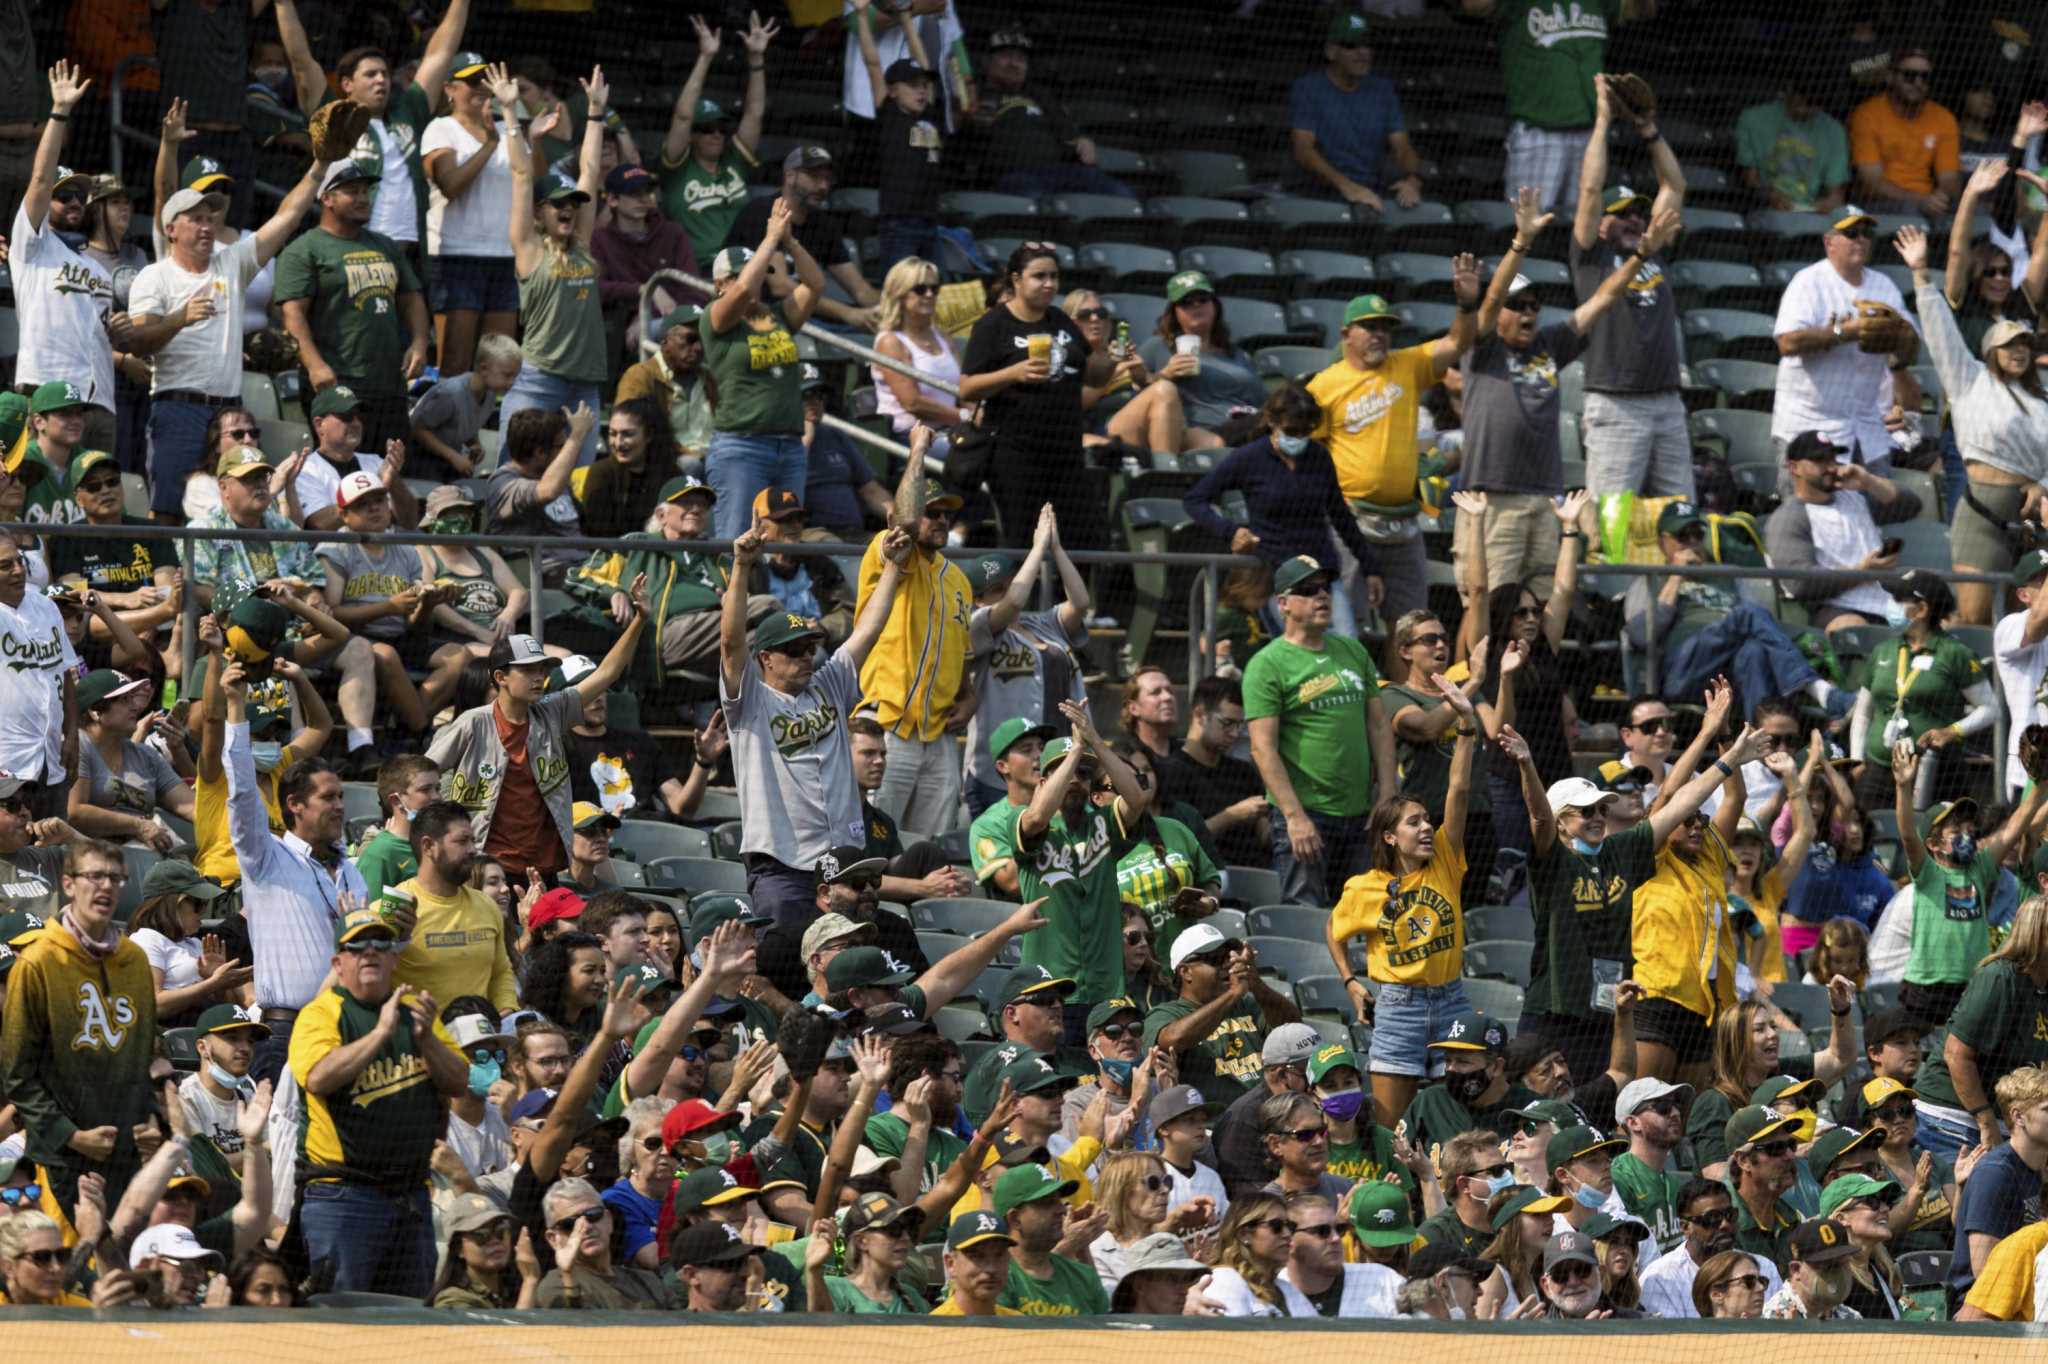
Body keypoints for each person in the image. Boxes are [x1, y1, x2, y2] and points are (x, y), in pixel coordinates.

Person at [1514, 688, 1758, 1089]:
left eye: (1599, 810)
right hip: (1556, 1010)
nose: (1595, 817)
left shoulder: (1621, 853)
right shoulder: (1553, 863)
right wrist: (1527, 766)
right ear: (1562, 822)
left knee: (1612, 1109)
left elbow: (1684, 801)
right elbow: (1540, 820)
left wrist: (1728, 756)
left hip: (1607, 1012)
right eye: (1583, 812)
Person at [1455, 190, 1675, 611]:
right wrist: (1521, 243)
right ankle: (1474, 678)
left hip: (1543, 499)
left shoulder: (1550, 344)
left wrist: (1639, 257)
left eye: (1534, 306)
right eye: (1516, 306)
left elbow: (1604, 299)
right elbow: (1491, 298)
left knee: (1538, 611)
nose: (1527, 313)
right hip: (1492, 500)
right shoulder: (1481, 348)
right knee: (1485, 606)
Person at [722, 513, 911, 928]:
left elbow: (868, 630)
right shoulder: (749, 700)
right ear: (766, 659)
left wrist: (894, 567)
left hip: (843, 859)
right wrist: (741, 567)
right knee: (787, 958)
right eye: (794, 651)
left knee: (847, 963)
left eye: (810, 648)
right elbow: (732, 642)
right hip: (782, 862)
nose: (807, 657)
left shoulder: (828, 684)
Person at [129, 131, 324, 525]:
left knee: (241, 511)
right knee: (167, 511)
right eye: (195, 219)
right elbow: (138, 340)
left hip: (230, 414)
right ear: (171, 228)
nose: (206, 225)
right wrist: (179, 318)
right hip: (177, 407)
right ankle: (171, 585)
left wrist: (321, 164)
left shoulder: (231, 263)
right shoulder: (154, 276)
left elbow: (287, 216)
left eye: (210, 216)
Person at [1324, 672, 1481, 1124]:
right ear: (1390, 836)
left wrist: (1467, 728)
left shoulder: (1446, 861)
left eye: (1428, 820)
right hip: (1398, 1008)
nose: (1428, 828)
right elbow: (1333, 930)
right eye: (1414, 823)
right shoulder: (1365, 886)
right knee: (1393, 1125)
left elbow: (1460, 790)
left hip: (1452, 1000)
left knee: (1457, 1121)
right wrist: (1350, 981)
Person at [1307, 273, 1478, 631]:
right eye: (1368, 326)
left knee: (1412, 629)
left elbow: (1458, 342)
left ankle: (1401, 690)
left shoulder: (1407, 365)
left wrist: (1465, 305)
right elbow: (1310, 453)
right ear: (1345, 335)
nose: (1379, 333)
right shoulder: (1324, 387)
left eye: (1385, 326)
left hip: (1404, 524)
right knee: (1343, 628)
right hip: (1350, 522)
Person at [1900, 218, 2048, 625]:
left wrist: (2043, 485)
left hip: (2031, 518)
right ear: (1989, 350)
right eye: (2007, 345)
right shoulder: (1968, 379)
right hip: (1981, 512)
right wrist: (1919, 273)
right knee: (1976, 617)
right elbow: (1939, 327)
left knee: (2030, 618)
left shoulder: (2041, 400)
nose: (2018, 351)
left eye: (2024, 344)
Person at [0, 838, 157, 1220]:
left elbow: (144, 1056)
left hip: (126, 1153)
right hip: (63, 1159)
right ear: (68, 884)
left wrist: (151, 1119)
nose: (105, 887)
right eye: (94, 876)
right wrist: (70, 1135)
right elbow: (18, 1075)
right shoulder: (37, 963)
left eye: (115, 879)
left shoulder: (135, 961)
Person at [1245, 555, 1395, 906]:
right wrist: (1294, 817)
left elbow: (1378, 726)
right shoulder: (1267, 664)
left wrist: (1387, 794)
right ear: (1282, 604)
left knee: (1365, 917)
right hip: (1305, 816)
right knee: (1305, 921)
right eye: (1308, 591)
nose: (1322, 597)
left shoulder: (1352, 650)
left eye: (1326, 588)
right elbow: (1262, 749)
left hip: (1361, 816)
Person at [1186, 383, 1386, 636]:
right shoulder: (1249, 458)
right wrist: (1230, 531)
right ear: (1271, 421)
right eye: (1292, 431)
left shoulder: (1319, 457)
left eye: (1306, 432)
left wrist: (1371, 568)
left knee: (1348, 646)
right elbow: (1195, 499)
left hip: (1322, 572)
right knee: (1298, 652)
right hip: (1277, 576)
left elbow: (1341, 517)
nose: (1299, 438)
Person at [1571, 75, 1689, 500]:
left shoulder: (1655, 250)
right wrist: (1603, 121)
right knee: (1613, 523)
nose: (1634, 220)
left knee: (1681, 517)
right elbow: (1588, 189)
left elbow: (1674, 186)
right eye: (1621, 214)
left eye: (1639, 213)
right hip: (1616, 403)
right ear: (1603, 223)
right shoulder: (1592, 257)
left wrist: (1648, 131)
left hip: (1668, 403)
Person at [1626, 501, 1850, 722]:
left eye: (1697, 533)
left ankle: (1760, 742)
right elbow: (1640, 636)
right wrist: (1676, 577)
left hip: (1727, 670)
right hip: (1683, 672)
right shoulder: (1650, 579)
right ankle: (1817, 689)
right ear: (1663, 542)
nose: (1692, 542)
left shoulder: (1725, 576)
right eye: (1683, 536)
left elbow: (1760, 623)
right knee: (1746, 614)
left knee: (1752, 651)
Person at [495, 62, 613, 470]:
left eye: (572, 205)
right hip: (540, 380)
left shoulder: (581, 245)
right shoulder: (529, 249)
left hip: (585, 386)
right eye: (558, 204)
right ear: (539, 213)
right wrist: (511, 113)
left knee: (575, 483)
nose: (567, 209)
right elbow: (521, 175)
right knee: (513, 475)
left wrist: (595, 113)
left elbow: (591, 171)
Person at [959, 242, 1114, 548]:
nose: (1049, 284)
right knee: (1024, 539)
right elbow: (966, 387)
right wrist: (1012, 374)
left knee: (1082, 540)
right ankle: (1023, 598)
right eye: (1039, 276)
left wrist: (1107, 353)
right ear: (1016, 279)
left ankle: (1069, 598)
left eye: (1054, 277)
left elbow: (1096, 376)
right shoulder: (993, 324)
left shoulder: (1059, 319)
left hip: (1065, 449)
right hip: (1015, 451)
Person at [273, 161, 431, 456]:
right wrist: (314, 364)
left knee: (389, 474)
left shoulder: (385, 245)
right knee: (344, 471)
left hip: (389, 383)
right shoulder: (304, 249)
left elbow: (412, 297)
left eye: (365, 191)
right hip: (337, 382)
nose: (362, 198)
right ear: (327, 198)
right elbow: (292, 314)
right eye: (351, 191)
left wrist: (420, 343)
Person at [855, 447, 972, 836]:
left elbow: (962, 653)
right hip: (888, 725)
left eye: (946, 514)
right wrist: (919, 449)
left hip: (938, 734)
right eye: (931, 512)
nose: (941, 520)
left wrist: (970, 697)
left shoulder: (959, 580)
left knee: (931, 845)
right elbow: (902, 519)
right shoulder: (890, 554)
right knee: (875, 838)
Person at [1893, 743, 2042, 1042]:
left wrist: (2042, 780)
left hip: (1973, 985)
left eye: (1969, 827)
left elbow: (2016, 825)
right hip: (1926, 988)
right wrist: (1904, 787)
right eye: (1955, 830)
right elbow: (1909, 835)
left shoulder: (1980, 868)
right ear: (1934, 844)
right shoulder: (1928, 872)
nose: (1967, 834)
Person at [698, 206, 825, 540]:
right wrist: (769, 238)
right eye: (743, 275)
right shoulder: (716, 318)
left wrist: (790, 242)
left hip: (790, 446)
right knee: (738, 541)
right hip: (742, 447)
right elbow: (740, 293)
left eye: (758, 274)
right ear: (719, 284)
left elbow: (814, 284)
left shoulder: (777, 315)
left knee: (787, 543)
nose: (754, 283)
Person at [11, 64, 115, 448]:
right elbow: (39, 178)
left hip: (97, 401)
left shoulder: (98, 269)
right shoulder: (32, 245)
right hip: (47, 389)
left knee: (97, 504)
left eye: (80, 195)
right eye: (64, 195)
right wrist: (59, 112)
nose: (74, 202)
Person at [1770, 211, 1923, 469]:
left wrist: (1901, 339)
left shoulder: (1884, 286)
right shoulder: (1808, 282)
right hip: (1809, 425)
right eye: (1851, 234)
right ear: (1829, 242)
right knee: (1810, 508)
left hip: (1866, 428)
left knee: (1877, 506)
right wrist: (1845, 332)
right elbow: (1787, 343)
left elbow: (1911, 346)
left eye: (1867, 234)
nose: (1861, 240)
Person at [959, 515, 1088, 820]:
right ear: (977, 599)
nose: (1006, 593)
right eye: (996, 589)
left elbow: (1080, 602)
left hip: (1056, 758)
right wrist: (1037, 547)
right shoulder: (979, 625)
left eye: (1010, 583)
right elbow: (1015, 600)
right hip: (1001, 771)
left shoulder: (1043, 623)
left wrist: (1054, 549)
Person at [1911, 894, 2048, 1165]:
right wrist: (1986, 1121)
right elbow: (1956, 1055)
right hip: (1952, 1116)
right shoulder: (1999, 977)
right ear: (2037, 934)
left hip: (2007, 1120)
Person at [1465, 0, 1621, 212]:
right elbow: (1473, 6)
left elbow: (1643, 10)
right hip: (1539, 131)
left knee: (1586, 225)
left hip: (1591, 132)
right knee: (1528, 225)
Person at [1763, 431, 1920, 632]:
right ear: (1794, 468)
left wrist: (1868, 481)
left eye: (1832, 459)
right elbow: (1800, 583)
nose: (1830, 467)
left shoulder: (1856, 498)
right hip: (1837, 608)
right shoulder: (1789, 517)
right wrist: (1862, 572)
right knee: (1853, 629)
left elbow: (1912, 506)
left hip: (1887, 600)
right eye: (1819, 460)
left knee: (1946, 623)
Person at [728, 146, 885, 335]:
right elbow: (781, 286)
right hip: (757, 316)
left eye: (827, 179)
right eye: (814, 177)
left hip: (805, 316)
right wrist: (848, 313)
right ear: (789, 176)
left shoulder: (823, 224)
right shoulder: (763, 213)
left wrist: (904, 305)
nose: (823, 186)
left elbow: (861, 292)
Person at [959, 27, 1129, 200]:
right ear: (986, 61)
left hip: (1060, 170)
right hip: (1009, 173)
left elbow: (1070, 131)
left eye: (1021, 59)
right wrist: (970, 123)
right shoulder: (974, 93)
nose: (1014, 64)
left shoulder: (1041, 95)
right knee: (1038, 200)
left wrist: (1084, 140)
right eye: (1006, 56)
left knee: (1120, 193)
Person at [658, 14, 772, 266]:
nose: (717, 134)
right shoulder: (677, 168)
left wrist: (756, 58)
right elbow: (683, 116)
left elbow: (755, 112)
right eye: (707, 128)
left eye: (721, 128)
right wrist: (706, 56)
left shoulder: (735, 161)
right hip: (698, 270)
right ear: (693, 136)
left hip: (744, 267)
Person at [1287, 11, 1422, 207]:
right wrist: (1346, 186)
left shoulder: (1382, 89)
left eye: (1367, 45)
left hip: (1369, 190)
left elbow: (1402, 147)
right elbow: (1303, 150)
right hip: (1316, 191)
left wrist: (1413, 180)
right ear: (1331, 52)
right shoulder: (1308, 88)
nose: (1363, 52)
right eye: (1351, 46)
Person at [1948, 1066, 2048, 1310]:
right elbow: (1984, 1271)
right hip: (1984, 1315)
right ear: (2018, 1116)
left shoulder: (2039, 1167)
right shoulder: (1995, 1174)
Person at [1063, 288, 1206, 454]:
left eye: (1100, 313)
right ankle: (1166, 471)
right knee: (1165, 389)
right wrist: (1110, 374)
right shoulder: (1067, 356)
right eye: (1085, 315)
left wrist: (1143, 377)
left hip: (1141, 418)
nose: (1095, 319)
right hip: (1104, 427)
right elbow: (1070, 403)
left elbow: (1149, 393)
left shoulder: (1117, 352)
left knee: (1212, 442)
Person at [67, 669, 191, 853]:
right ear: (95, 711)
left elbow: (192, 807)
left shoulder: (146, 756)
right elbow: (75, 812)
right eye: (124, 700)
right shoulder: (78, 744)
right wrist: (139, 826)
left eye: (133, 698)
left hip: (146, 855)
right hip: (95, 859)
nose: (135, 706)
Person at [1138, 272, 1271, 440]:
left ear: (1214, 305)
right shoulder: (1158, 346)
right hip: (1208, 432)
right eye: (1186, 302)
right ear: (1174, 312)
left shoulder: (1238, 355)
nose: (1196, 305)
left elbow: (1265, 401)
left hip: (1252, 426)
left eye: (1203, 299)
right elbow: (1137, 396)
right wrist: (1166, 375)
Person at [1155, 676, 1268, 872]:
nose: (1234, 734)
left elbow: (1264, 835)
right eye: (1227, 723)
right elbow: (1178, 840)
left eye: (1240, 725)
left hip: (1256, 874)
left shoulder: (1243, 772)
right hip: (1204, 877)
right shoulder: (1170, 772)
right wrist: (1232, 815)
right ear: (1200, 714)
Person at [1639, 1177, 1783, 1317]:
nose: (1725, 1225)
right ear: (1685, 1227)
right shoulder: (1661, 1278)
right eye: (1712, 1218)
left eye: (1730, 1215)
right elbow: (1670, 1338)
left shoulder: (1763, 1268)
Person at [534, 1175, 677, 1308]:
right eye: (569, 1224)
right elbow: (571, 1328)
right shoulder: (556, 1285)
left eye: (593, 1215)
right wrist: (568, 1276)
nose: (586, 1227)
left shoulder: (647, 1281)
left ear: (609, 1220)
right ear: (553, 1239)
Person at [1848, 46, 1960, 216]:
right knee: (1909, 210)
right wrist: (1920, 200)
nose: (1918, 83)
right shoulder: (1867, 115)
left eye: (1925, 77)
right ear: (1890, 76)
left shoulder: (1943, 118)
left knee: (1975, 210)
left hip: (1929, 199)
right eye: (1909, 75)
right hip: (1882, 202)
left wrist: (1940, 198)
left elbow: (1949, 177)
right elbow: (1871, 183)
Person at [872, 257, 963, 445]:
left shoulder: (945, 338)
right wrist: (965, 416)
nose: (929, 294)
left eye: (934, 289)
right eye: (920, 289)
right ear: (900, 293)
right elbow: (912, 402)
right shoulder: (890, 342)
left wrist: (981, 415)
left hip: (950, 431)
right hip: (911, 436)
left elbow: (964, 391)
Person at [1736, 71, 1851, 213]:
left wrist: (1831, 201)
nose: (1804, 110)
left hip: (1813, 209)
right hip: (1766, 208)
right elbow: (1750, 178)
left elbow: (1836, 190)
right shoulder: (1753, 119)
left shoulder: (1834, 130)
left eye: (1812, 105)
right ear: (1790, 90)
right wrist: (1770, 196)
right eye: (1802, 100)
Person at [800, 365, 891, 538]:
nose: (815, 402)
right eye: (806, 396)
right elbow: (787, 485)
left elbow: (870, 490)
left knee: (900, 547)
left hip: (853, 532)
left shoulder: (835, 435)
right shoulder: (781, 440)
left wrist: (899, 520)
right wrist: (806, 438)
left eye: (819, 396)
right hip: (811, 532)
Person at [430, 1192, 538, 1309]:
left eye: (500, 1230)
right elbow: (518, 1328)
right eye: (481, 1234)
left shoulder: (511, 1291)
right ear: (458, 1249)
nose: (494, 1240)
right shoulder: (452, 1300)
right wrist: (530, 1282)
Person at [1762, 1217, 1863, 1319]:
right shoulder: (1775, 1317)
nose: (1838, 1273)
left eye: (1844, 1264)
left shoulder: (1851, 1317)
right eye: (1828, 1266)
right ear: (1796, 1270)